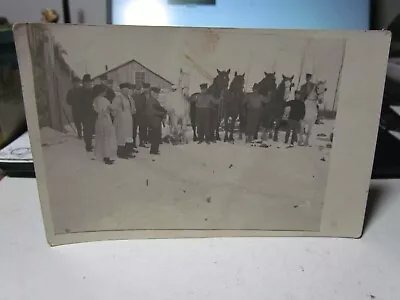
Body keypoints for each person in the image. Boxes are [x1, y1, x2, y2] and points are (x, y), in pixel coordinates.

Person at [92, 84, 117, 165]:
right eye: (105, 91)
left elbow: (96, 110)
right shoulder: (104, 100)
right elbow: (111, 109)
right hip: (106, 120)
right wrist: (113, 111)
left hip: (99, 121)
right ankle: (106, 157)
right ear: (102, 92)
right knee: (107, 139)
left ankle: (101, 155)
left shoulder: (95, 100)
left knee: (101, 139)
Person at [111, 83, 136, 159]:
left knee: (128, 136)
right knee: (121, 136)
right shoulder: (118, 98)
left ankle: (128, 151)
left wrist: (134, 110)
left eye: (128, 89)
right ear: (121, 90)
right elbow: (113, 109)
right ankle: (121, 152)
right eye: (125, 89)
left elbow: (133, 108)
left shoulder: (130, 98)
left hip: (128, 120)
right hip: (120, 121)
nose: (126, 91)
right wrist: (115, 116)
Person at [146, 87, 167, 155]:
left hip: (157, 120)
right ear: (152, 93)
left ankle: (155, 149)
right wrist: (162, 113)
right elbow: (152, 111)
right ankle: (153, 150)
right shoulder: (151, 101)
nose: (157, 95)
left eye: (157, 94)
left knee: (157, 135)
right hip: (154, 120)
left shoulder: (155, 101)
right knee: (155, 136)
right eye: (156, 93)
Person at [80, 74, 96, 152]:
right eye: (86, 83)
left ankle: (92, 144)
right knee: (87, 130)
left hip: (93, 113)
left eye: (89, 83)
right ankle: (88, 146)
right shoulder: (80, 92)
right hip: (84, 114)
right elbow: (77, 104)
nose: (88, 84)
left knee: (93, 129)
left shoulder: (92, 91)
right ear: (83, 83)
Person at [135, 83, 150, 147]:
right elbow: (141, 106)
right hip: (142, 115)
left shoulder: (143, 95)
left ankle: (143, 140)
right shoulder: (143, 96)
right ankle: (142, 141)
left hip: (144, 115)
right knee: (142, 129)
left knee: (144, 129)